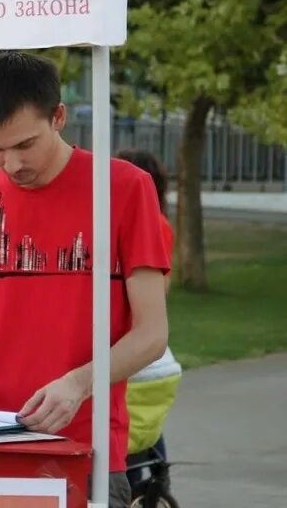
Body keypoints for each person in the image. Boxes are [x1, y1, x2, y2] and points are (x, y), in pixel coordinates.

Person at [0, 52, 170, 508]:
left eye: (25, 144)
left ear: (58, 117)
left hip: (88, 450)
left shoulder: (124, 188)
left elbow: (152, 335)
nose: (11, 163)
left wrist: (78, 384)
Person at [115, 149, 182, 485]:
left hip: (131, 345)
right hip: (155, 359)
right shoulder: (160, 223)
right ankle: (157, 482)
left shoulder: (147, 224)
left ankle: (147, 485)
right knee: (147, 427)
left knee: (131, 429)